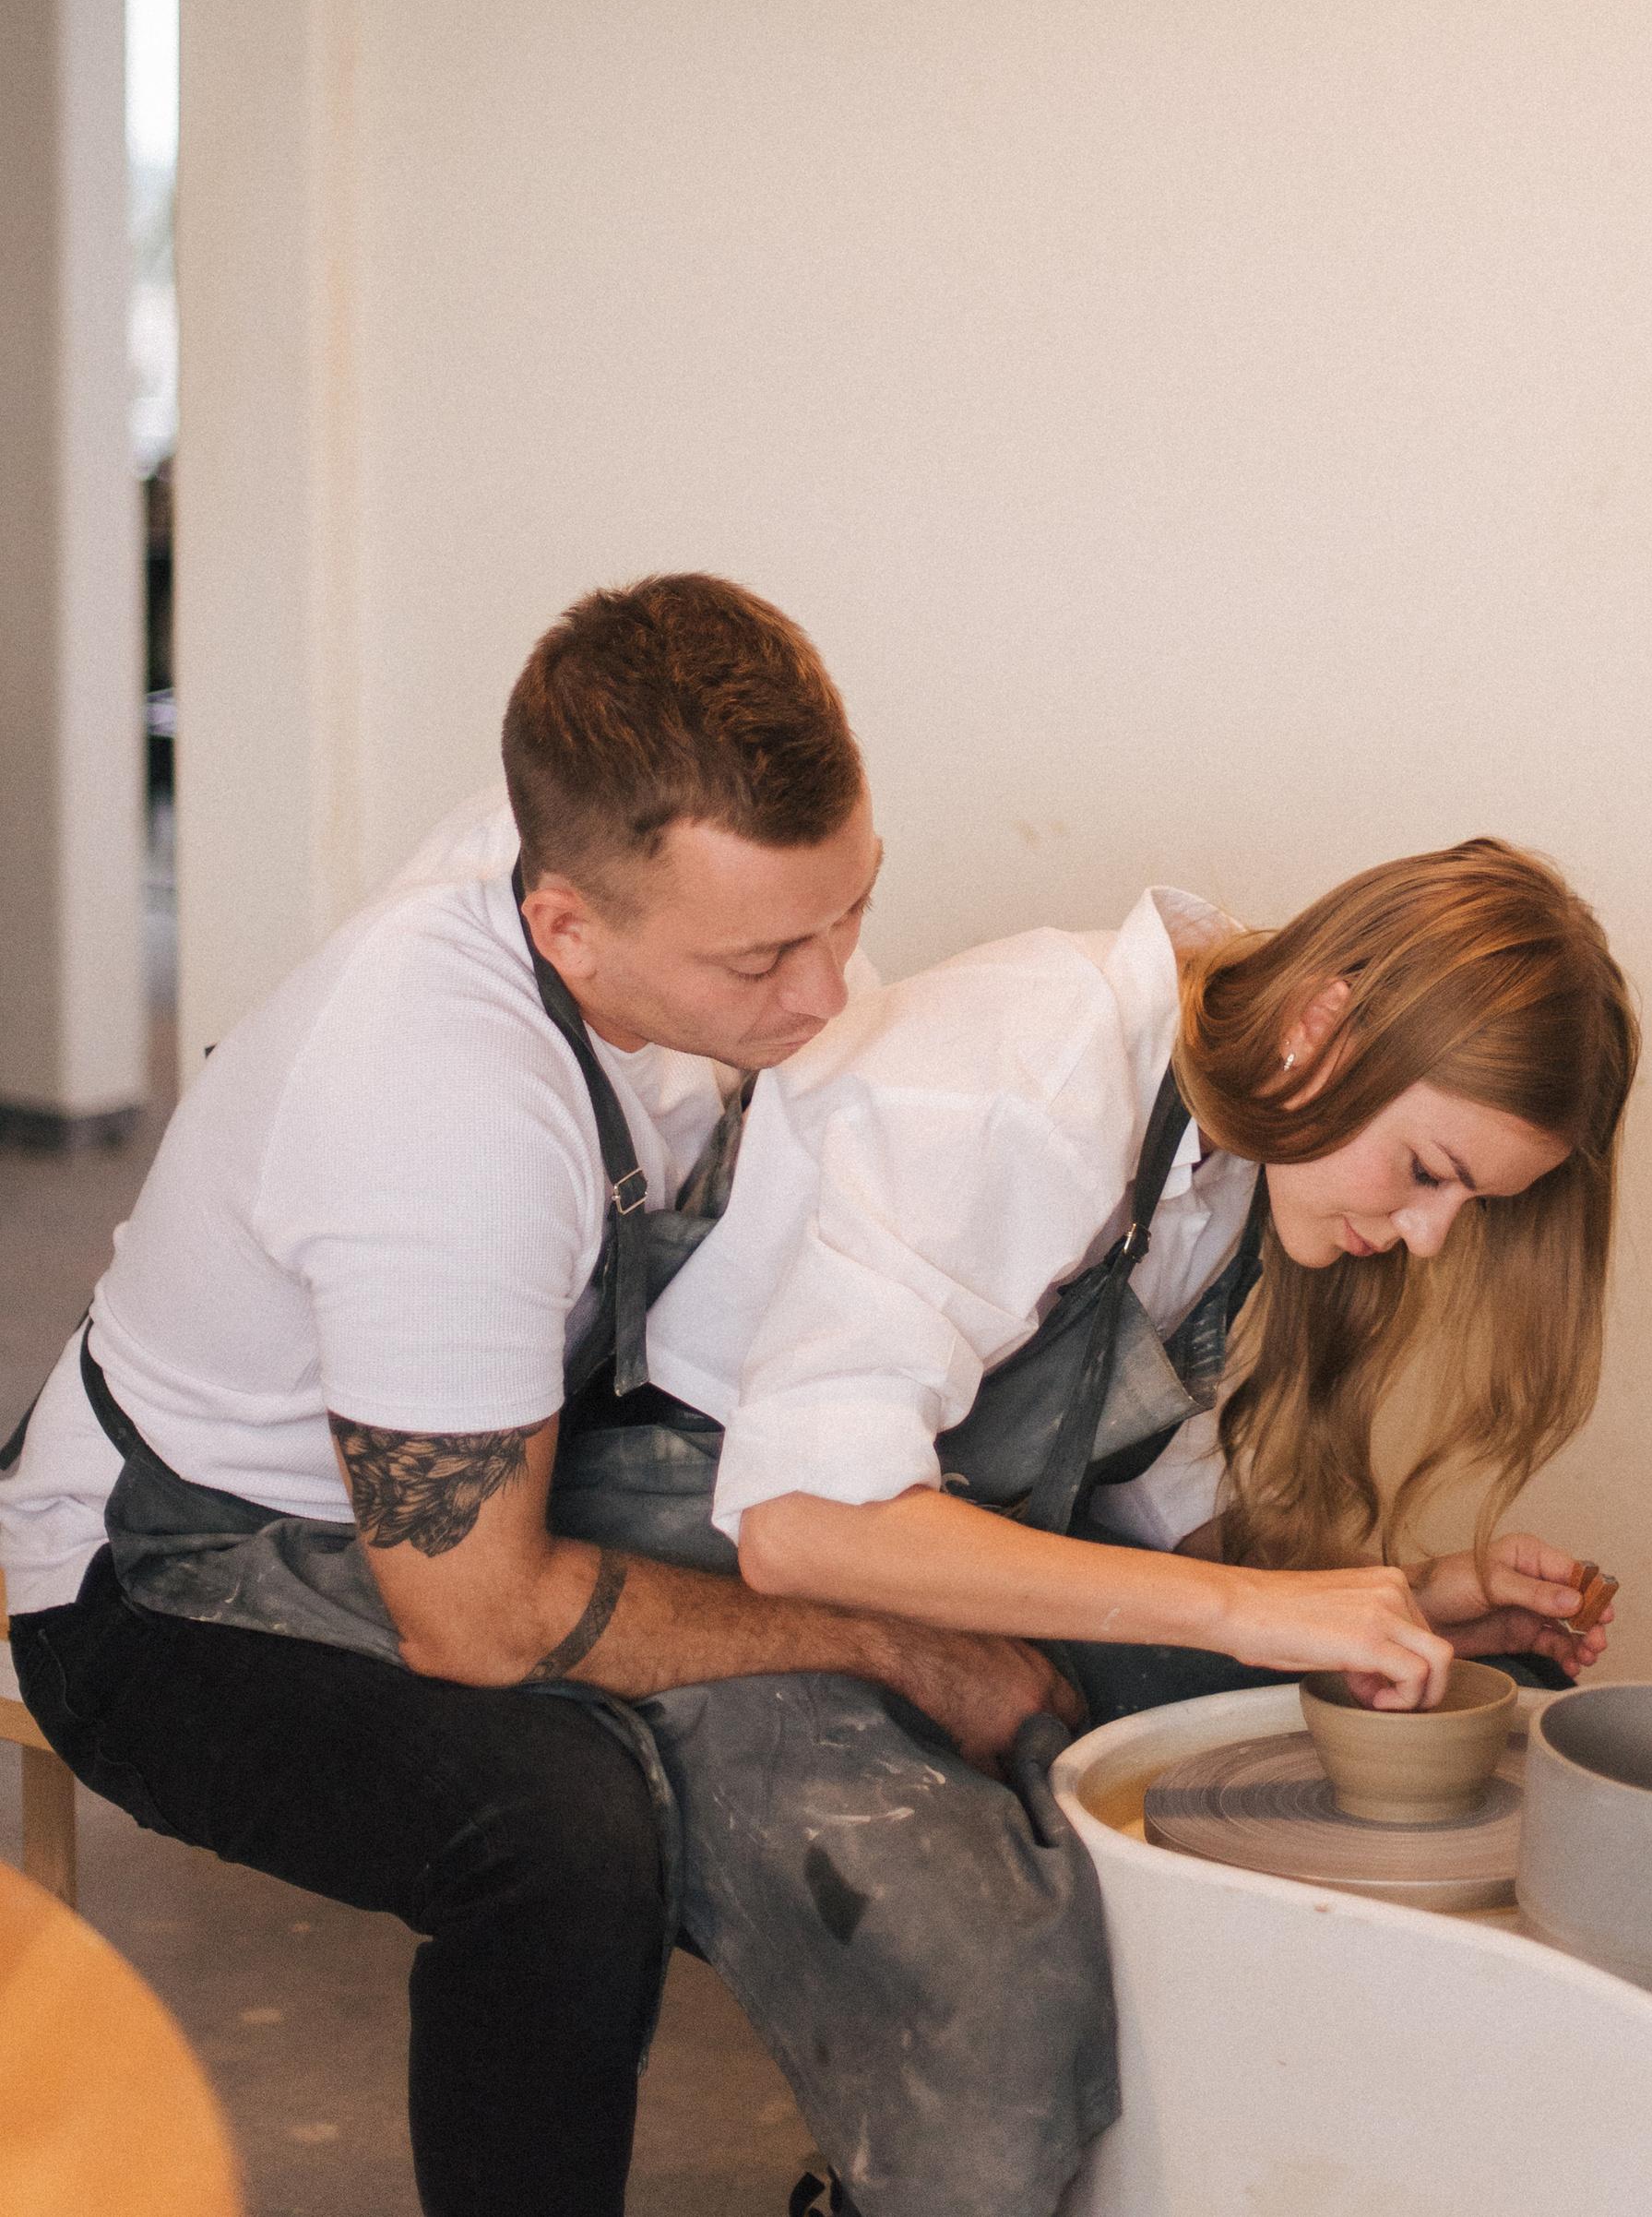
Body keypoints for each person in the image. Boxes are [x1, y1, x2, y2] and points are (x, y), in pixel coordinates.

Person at [0, 576, 1080, 2217]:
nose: (827, 995)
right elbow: (480, 1622)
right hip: (155, 1566)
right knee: (564, 1834)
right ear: (569, 923)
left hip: (440, 1480)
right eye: (765, 956)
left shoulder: (605, 844)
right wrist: (889, 1633)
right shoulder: (446, 1111)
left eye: (849, 913)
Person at [606, 836, 1639, 2217]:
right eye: (1427, 1170)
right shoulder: (1030, 1086)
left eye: (1471, 1202)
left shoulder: (1214, 1134)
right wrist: (1250, 1616)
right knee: (1002, 1978)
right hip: (701, 1543)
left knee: (1480, 1730)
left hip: (932, 1542)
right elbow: (801, 1523)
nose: (1435, 1236)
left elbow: (1152, 1488)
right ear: (1328, 1024)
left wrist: (1410, 1592)